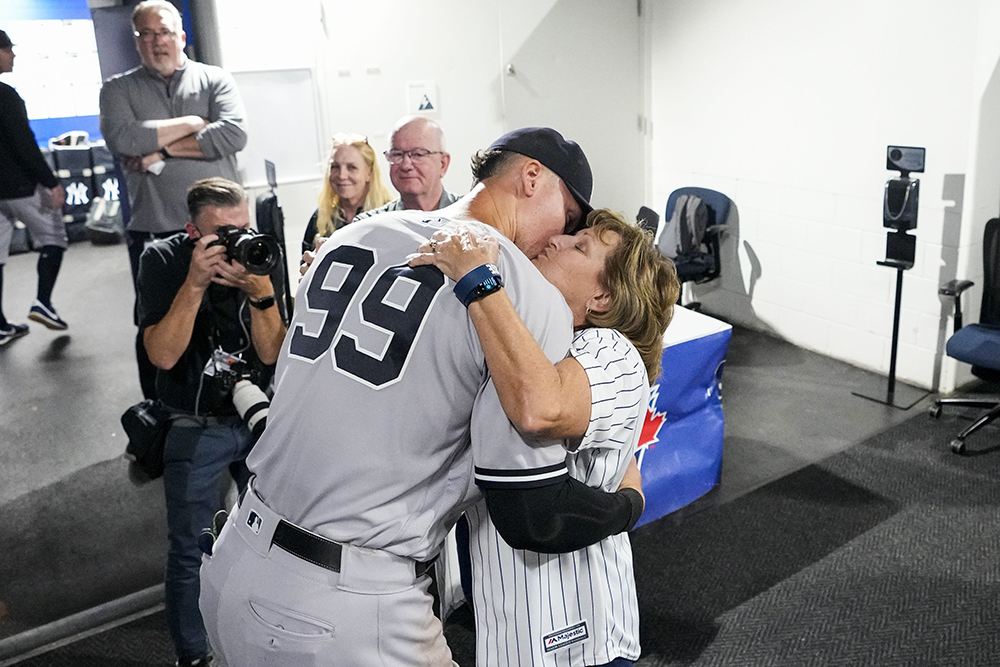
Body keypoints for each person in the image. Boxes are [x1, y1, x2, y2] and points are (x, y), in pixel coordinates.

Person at [199, 127, 645, 667]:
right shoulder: (519, 291)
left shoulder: (352, 236)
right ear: (532, 178)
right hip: (342, 606)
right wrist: (628, 503)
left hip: (233, 561)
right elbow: (530, 499)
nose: (559, 236)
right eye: (570, 219)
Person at [410, 210, 680, 666]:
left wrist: (479, 278)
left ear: (603, 296)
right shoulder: (517, 332)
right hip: (497, 614)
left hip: (573, 630)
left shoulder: (613, 352)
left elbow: (540, 409)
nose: (557, 239)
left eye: (581, 246)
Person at [137, 177, 286, 667]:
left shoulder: (259, 257)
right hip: (194, 422)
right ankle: (194, 654)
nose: (236, 241)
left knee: (270, 540)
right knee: (191, 549)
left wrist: (261, 293)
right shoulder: (163, 259)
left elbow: (273, 355)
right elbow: (162, 354)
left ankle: (259, 642)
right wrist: (195, 283)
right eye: (223, 234)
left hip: (257, 416)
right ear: (190, 232)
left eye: (242, 228)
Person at [99, 0, 247, 398]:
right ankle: (157, 412)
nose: (156, 42)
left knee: (228, 314)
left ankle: (235, 404)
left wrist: (161, 151)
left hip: (219, 229)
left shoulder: (215, 80)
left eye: (164, 32)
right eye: (146, 33)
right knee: (156, 324)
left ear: (180, 37)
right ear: (136, 42)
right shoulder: (117, 89)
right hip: (155, 228)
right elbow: (122, 139)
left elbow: (232, 135)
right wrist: (193, 124)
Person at [0, 28, 70, 344]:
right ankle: (43, 301)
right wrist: (51, 182)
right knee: (54, 236)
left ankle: (0, 324)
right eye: (8, 49)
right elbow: (24, 144)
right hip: (19, 186)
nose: (13, 55)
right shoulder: (5, 95)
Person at [300, 133, 392, 254]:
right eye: (335, 167)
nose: (342, 176)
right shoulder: (321, 217)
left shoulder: (389, 216)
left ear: (369, 173)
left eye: (351, 167)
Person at [358, 115, 458, 219]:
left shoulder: (471, 216)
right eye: (397, 154)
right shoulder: (369, 226)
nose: (405, 165)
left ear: (443, 164)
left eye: (418, 154)